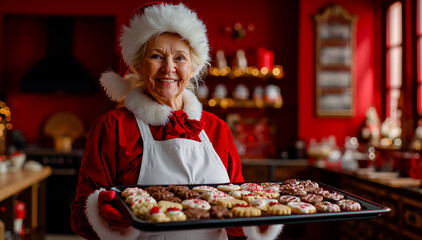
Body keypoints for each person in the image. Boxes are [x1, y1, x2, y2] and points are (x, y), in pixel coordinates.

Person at [70, 2, 283, 240]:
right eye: (156, 56)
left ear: (192, 68)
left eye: (180, 58)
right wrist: (110, 215)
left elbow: (235, 211)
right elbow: (80, 214)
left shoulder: (217, 129)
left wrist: (255, 220)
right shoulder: (112, 127)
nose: (168, 68)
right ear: (139, 66)